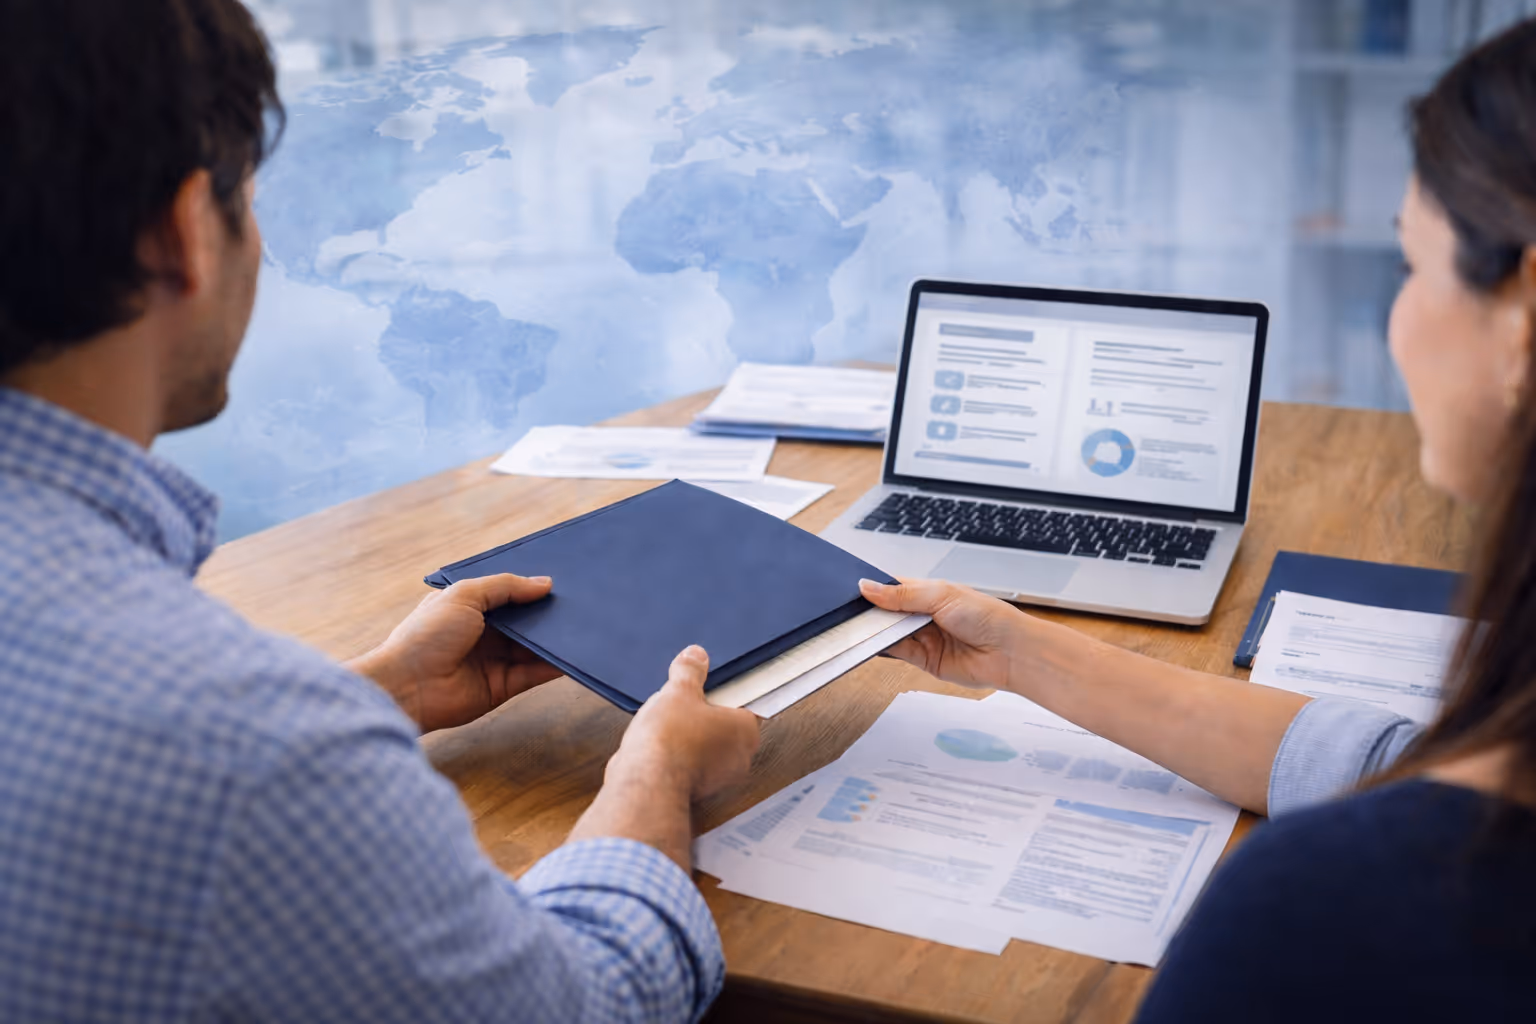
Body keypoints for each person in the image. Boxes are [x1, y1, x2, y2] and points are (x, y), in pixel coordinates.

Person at [0, 2, 759, 1021]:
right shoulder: (246, 751)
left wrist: (377, 694)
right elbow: (578, 1004)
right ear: (186, 231)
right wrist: (652, 776)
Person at [858, 18, 1536, 1021]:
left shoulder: (1328, 913)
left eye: (1412, 267)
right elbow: (1384, 756)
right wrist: (1020, 653)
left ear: (1522, 317)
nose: (1400, 318)